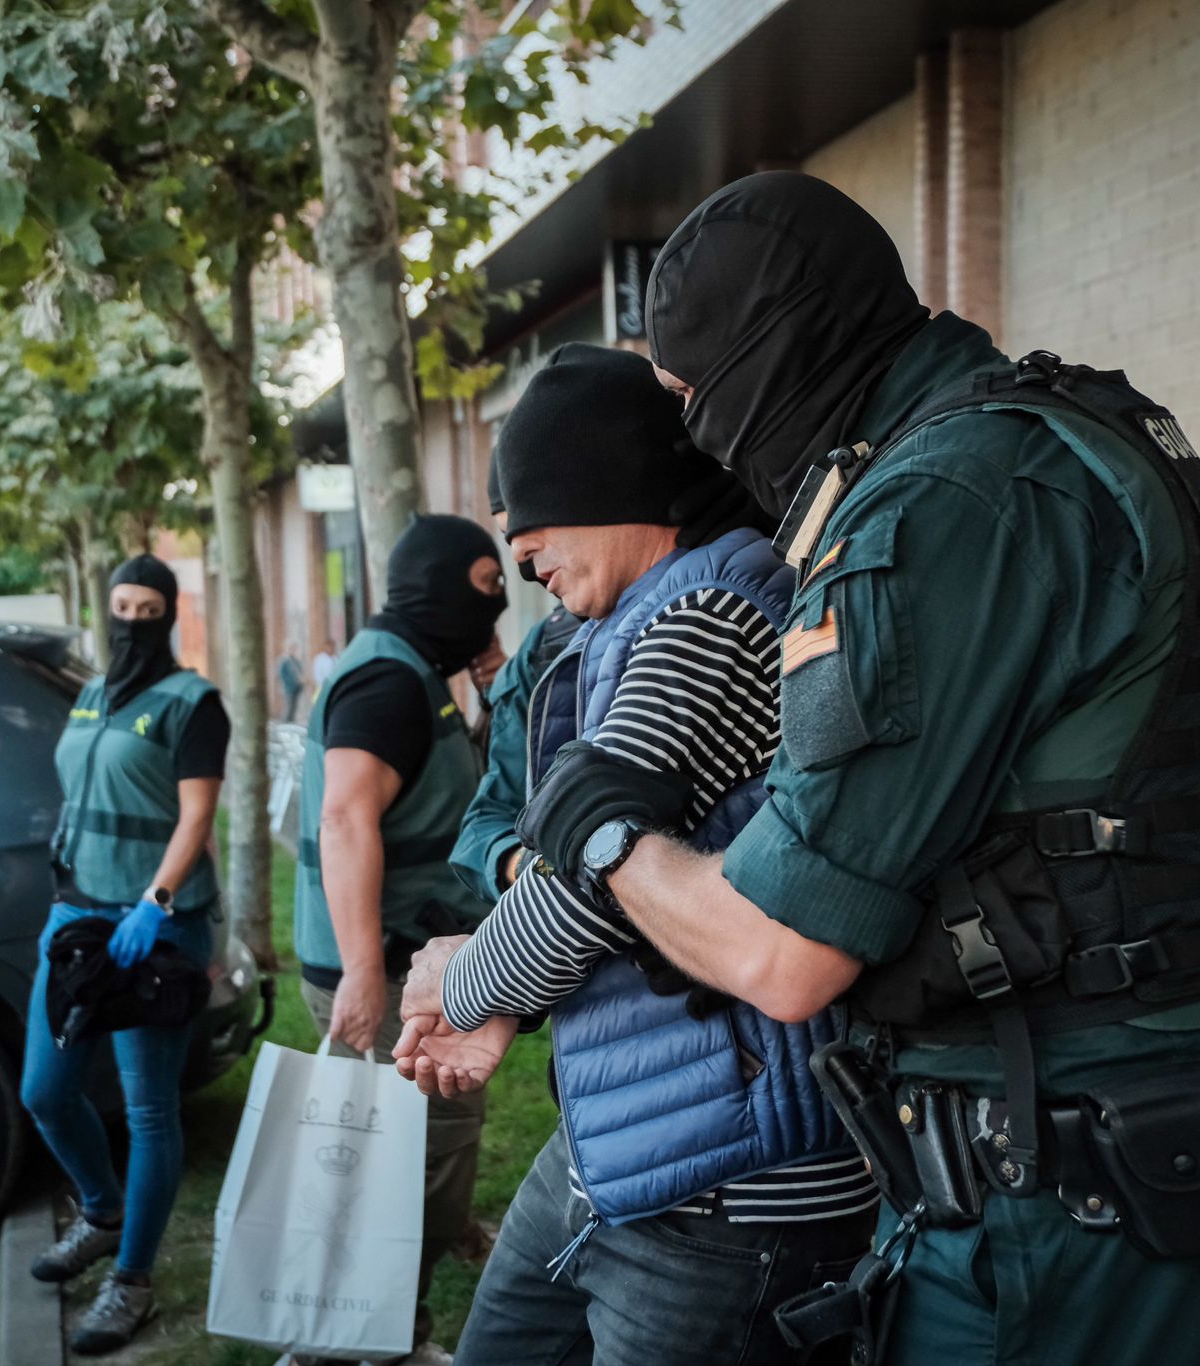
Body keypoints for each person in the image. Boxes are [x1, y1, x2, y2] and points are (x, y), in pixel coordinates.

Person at [516, 173, 1200, 1365]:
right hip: (1128, 1149)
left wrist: (602, 833)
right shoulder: (1042, 430)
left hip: (1073, 1194)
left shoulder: (940, 505)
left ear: (771, 357)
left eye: (697, 395)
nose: (699, 437)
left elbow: (778, 953)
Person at [398, 344, 875, 1366]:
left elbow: (588, 871)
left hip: (734, 1191)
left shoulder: (707, 613)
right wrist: (505, 1000)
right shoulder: (639, 617)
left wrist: (464, 980)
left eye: (525, 517)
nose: (517, 557)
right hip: (631, 1150)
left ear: (601, 478)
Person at [290, 514, 508, 1366]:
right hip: (388, 974)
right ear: (438, 587)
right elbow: (346, 818)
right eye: (486, 590)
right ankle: (378, 1342)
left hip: (403, 963)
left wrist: (497, 689)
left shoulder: (412, 666)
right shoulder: (388, 681)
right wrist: (362, 973)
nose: (494, 610)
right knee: (400, 1169)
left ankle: (356, 1324)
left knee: (404, 1158)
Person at [20, 554, 228, 1356]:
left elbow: (196, 815)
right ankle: (102, 1212)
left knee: (148, 1109)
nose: (131, 622)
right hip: (76, 920)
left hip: (153, 929)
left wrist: (157, 900)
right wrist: (67, 895)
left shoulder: (193, 703)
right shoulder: (91, 696)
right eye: (121, 607)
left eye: (146, 610)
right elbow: (80, 797)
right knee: (45, 1089)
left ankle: (132, 1281)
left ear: (168, 616)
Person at [447, 460, 580, 905]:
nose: (526, 563)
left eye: (533, 530)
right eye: (510, 541)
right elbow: (484, 822)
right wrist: (525, 867)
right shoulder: (541, 648)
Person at [278, 645, 306, 722]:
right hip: (289, 687)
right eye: (292, 650)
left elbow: (301, 672)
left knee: (294, 705)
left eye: (295, 650)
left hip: (297, 687)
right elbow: (281, 674)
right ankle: (286, 721)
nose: (294, 651)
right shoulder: (284, 661)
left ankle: (291, 720)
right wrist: (288, 682)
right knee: (289, 705)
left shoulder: (296, 661)